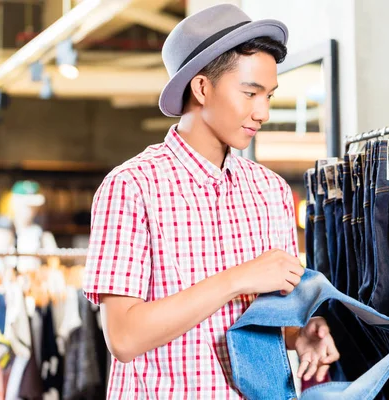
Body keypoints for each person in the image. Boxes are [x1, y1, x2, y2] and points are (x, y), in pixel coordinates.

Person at [83, 4, 339, 399]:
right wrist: (237, 278)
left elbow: (268, 317)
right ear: (202, 88)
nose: (263, 112)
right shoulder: (132, 187)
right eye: (250, 93)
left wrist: (299, 334)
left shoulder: (270, 191)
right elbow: (124, 337)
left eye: (268, 95)